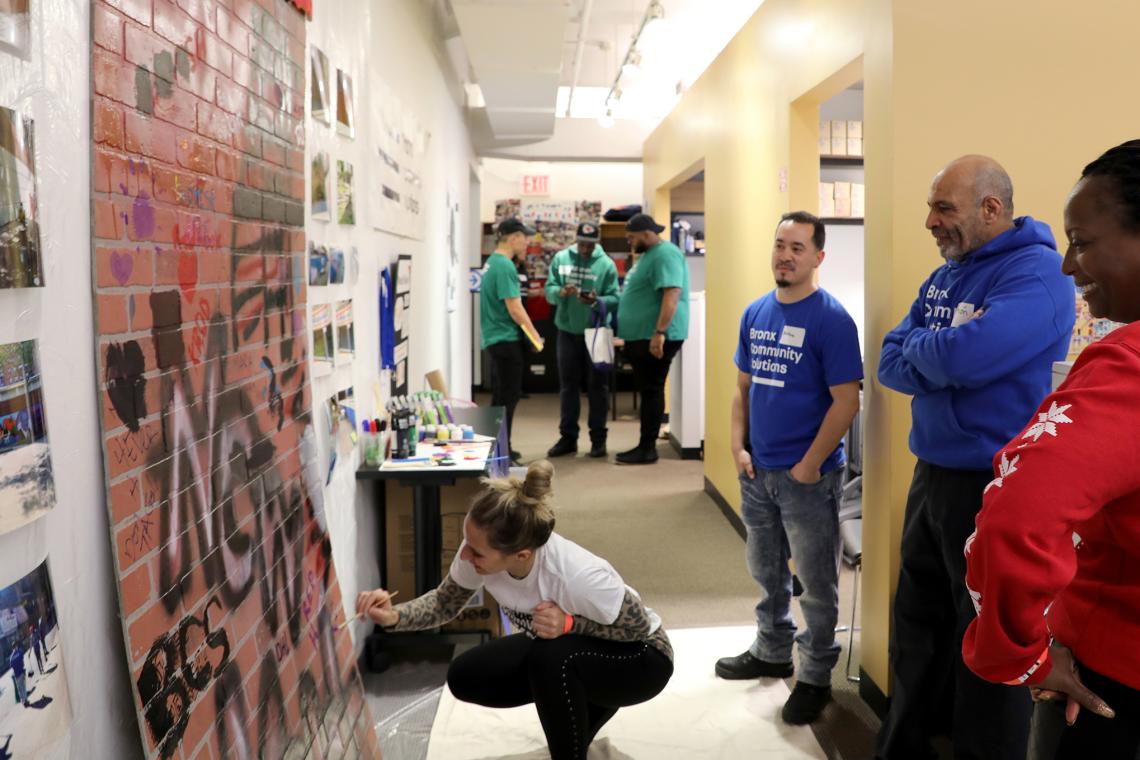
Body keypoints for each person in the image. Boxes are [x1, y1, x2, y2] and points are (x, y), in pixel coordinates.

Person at [874, 155, 1076, 759]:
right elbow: (889, 358)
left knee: (986, 636)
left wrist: (931, 353)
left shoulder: (1038, 275)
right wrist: (937, 352)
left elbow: (963, 360)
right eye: (931, 208)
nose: (931, 222)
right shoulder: (945, 277)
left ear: (992, 209)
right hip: (931, 473)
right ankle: (904, 745)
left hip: (994, 484)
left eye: (944, 208)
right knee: (917, 623)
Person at [961, 140, 1140, 759]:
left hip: (1112, 683)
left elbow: (1014, 517)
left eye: (1084, 242)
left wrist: (1020, 654)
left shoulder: (1128, 368)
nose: (1069, 266)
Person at [356, 460, 673, 760]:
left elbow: (638, 628)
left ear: (521, 555)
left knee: (550, 660)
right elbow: (444, 602)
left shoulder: (577, 575)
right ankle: (584, 700)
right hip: (576, 647)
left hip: (642, 659)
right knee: (466, 676)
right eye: (466, 541)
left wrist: (569, 625)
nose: (465, 555)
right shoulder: (480, 554)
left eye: (476, 551)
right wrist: (394, 616)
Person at [714, 211, 863, 724]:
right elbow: (743, 391)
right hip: (758, 473)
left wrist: (809, 465)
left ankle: (816, 676)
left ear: (818, 258)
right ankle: (771, 649)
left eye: (798, 247)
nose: (786, 254)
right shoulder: (756, 312)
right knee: (766, 570)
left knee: (817, 583)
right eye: (780, 244)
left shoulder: (832, 320)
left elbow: (847, 402)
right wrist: (738, 449)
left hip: (809, 478)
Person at [614, 213, 690, 465]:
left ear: (646, 234)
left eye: (632, 237)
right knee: (648, 389)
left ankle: (647, 448)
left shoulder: (665, 253)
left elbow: (672, 293)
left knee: (651, 389)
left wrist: (659, 333)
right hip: (644, 335)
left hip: (655, 336)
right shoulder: (650, 255)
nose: (629, 242)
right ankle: (645, 445)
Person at [544, 222, 620, 459]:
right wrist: (560, 292)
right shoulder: (561, 258)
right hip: (566, 331)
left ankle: (598, 440)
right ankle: (568, 438)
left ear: (597, 242)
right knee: (568, 387)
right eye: (581, 243)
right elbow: (549, 289)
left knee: (599, 388)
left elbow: (616, 297)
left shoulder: (606, 263)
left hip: (596, 332)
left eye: (590, 244)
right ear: (575, 240)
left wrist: (597, 301)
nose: (585, 249)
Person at [481, 218, 545, 465]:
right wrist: (535, 336)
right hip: (506, 339)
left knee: (500, 397)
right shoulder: (505, 266)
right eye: (525, 236)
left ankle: (500, 447)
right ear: (513, 237)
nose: (527, 242)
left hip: (496, 339)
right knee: (507, 398)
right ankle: (500, 455)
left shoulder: (492, 263)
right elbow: (515, 308)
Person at [9, 638, 28, 706]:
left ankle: (23, 701)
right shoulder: (20, 652)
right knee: (23, 687)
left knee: (20, 689)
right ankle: (26, 700)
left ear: (12, 648)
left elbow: (12, 667)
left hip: (16, 675)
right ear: (16, 646)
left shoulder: (11, 657)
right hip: (22, 672)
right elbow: (22, 660)